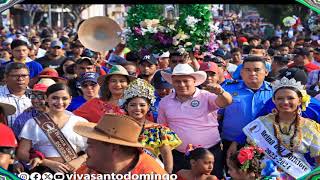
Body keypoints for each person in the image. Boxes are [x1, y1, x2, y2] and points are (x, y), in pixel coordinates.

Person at [158, 63, 232, 178]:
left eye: (186, 81)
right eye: (177, 81)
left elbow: (226, 102)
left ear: (194, 81)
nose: (182, 84)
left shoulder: (206, 96)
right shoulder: (165, 102)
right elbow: (162, 129)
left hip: (210, 154)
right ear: (172, 82)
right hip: (180, 156)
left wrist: (221, 92)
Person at [242, 77, 320, 179]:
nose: (285, 102)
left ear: (300, 100)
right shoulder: (262, 123)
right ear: (274, 100)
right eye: (280, 98)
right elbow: (250, 154)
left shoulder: (311, 127)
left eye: (290, 98)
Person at [17, 83, 88, 173]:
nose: (60, 102)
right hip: (43, 171)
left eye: (64, 98)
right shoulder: (33, 123)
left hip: (74, 171)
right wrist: (47, 163)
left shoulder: (80, 122)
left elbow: (93, 150)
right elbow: (22, 153)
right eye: (54, 98)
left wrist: (78, 161)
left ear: (70, 99)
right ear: (46, 98)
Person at [220, 56, 273, 174]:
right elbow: (217, 115)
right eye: (248, 70)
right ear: (242, 72)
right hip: (231, 144)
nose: (252, 73)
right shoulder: (228, 88)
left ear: (266, 72)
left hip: (264, 145)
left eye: (257, 69)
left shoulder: (275, 92)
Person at [74, 113, 167, 175]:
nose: (86, 150)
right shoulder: (89, 168)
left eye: (91, 145)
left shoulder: (152, 174)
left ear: (114, 148)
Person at [122, 78, 181, 173]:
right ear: (126, 106)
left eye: (142, 105)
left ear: (148, 107)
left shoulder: (159, 130)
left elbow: (167, 157)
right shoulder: (118, 127)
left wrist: (167, 176)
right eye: (132, 105)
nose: (137, 108)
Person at [0, 62, 32, 127]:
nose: (20, 79)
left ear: (29, 77)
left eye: (24, 76)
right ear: (6, 77)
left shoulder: (37, 96)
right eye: (15, 76)